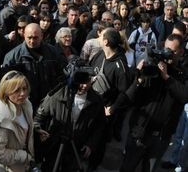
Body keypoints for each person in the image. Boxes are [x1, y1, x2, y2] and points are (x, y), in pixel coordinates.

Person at [113, 34, 188, 172]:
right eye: (166, 49)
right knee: (127, 167)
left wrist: (166, 77)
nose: (168, 54)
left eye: (173, 51)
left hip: (161, 137)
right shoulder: (152, 67)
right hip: (139, 131)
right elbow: (132, 95)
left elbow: (184, 96)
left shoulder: (182, 74)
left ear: (181, 52)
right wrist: (138, 75)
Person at [34, 61, 106, 171]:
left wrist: (90, 144)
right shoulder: (56, 96)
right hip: (54, 147)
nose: (85, 85)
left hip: (76, 149)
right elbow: (38, 118)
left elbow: (100, 125)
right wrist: (39, 130)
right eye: (81, 80)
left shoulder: (96, 100)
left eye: (88, 80)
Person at [2, 23, 66, 109]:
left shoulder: (54, 53)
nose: (32, 41)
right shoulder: (12, 57)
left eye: (35, 38)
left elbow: (62, 77)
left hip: (49, 103)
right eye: (29, 38)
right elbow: (6, 86)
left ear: (42, 36)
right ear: (24, 35)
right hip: (23, 105)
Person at [0, 71, 35, 172]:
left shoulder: (25, 104)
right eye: (17, 90)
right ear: (6, 91)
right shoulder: (0, 117)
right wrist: (22, 156)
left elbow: (21, 129)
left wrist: (35, 130)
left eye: (24, 88)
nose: (22, 93)